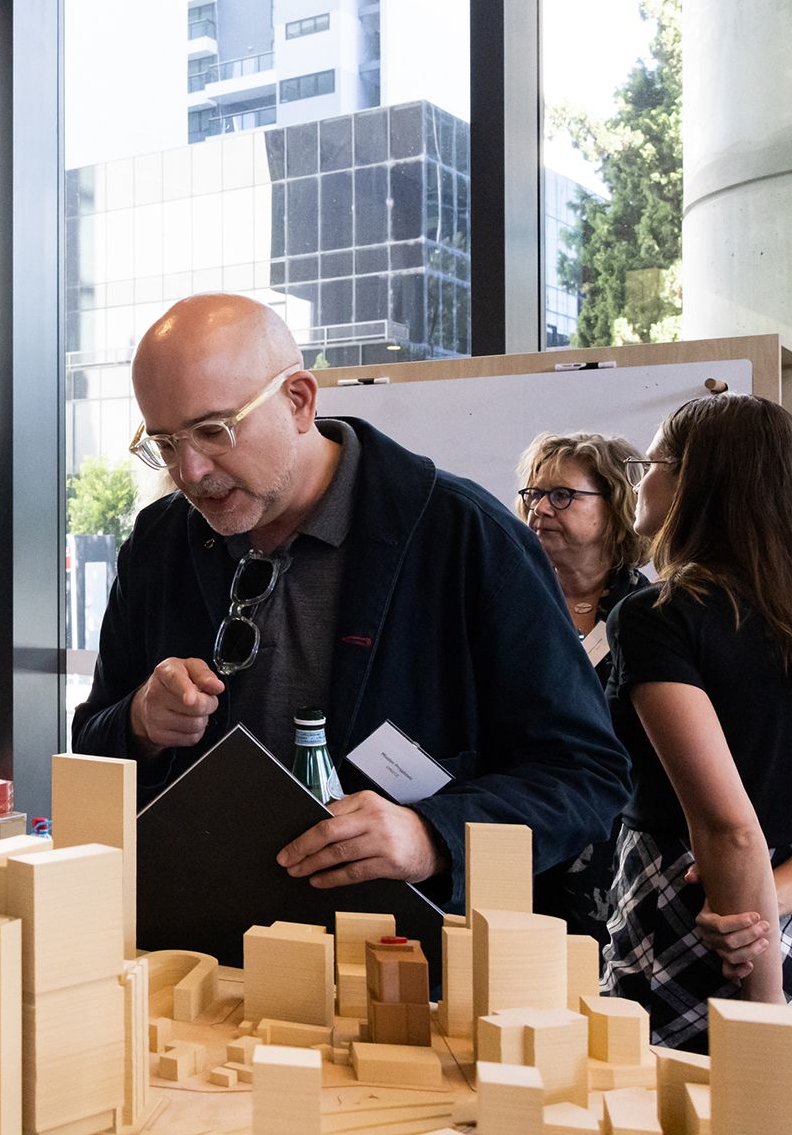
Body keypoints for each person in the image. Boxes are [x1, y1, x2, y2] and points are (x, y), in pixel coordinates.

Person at [69, 294, 629, 912]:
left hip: (403, 968)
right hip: (197, 943)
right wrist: (141, 724)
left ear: (299, 400)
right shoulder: (160, 543)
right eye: (166, 444)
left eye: (214, 432)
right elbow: (94, 742)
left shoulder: (462, 536)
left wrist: (433, 835)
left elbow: (586, 775)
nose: (191, 471)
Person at [603, 394, 792, 1050]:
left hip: (700, 933)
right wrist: (773, 905)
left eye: (651, 462)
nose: (641, 479)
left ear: (692, 481)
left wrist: (762, 999)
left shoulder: (659, 617)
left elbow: (728, 828)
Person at [514, 432, 650, 941]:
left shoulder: (652, 616)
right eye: (533, 494)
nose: (540, 508)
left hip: (620, 853)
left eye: (563, 495)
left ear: (616, 507)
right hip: (521, 838)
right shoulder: (510, 605)